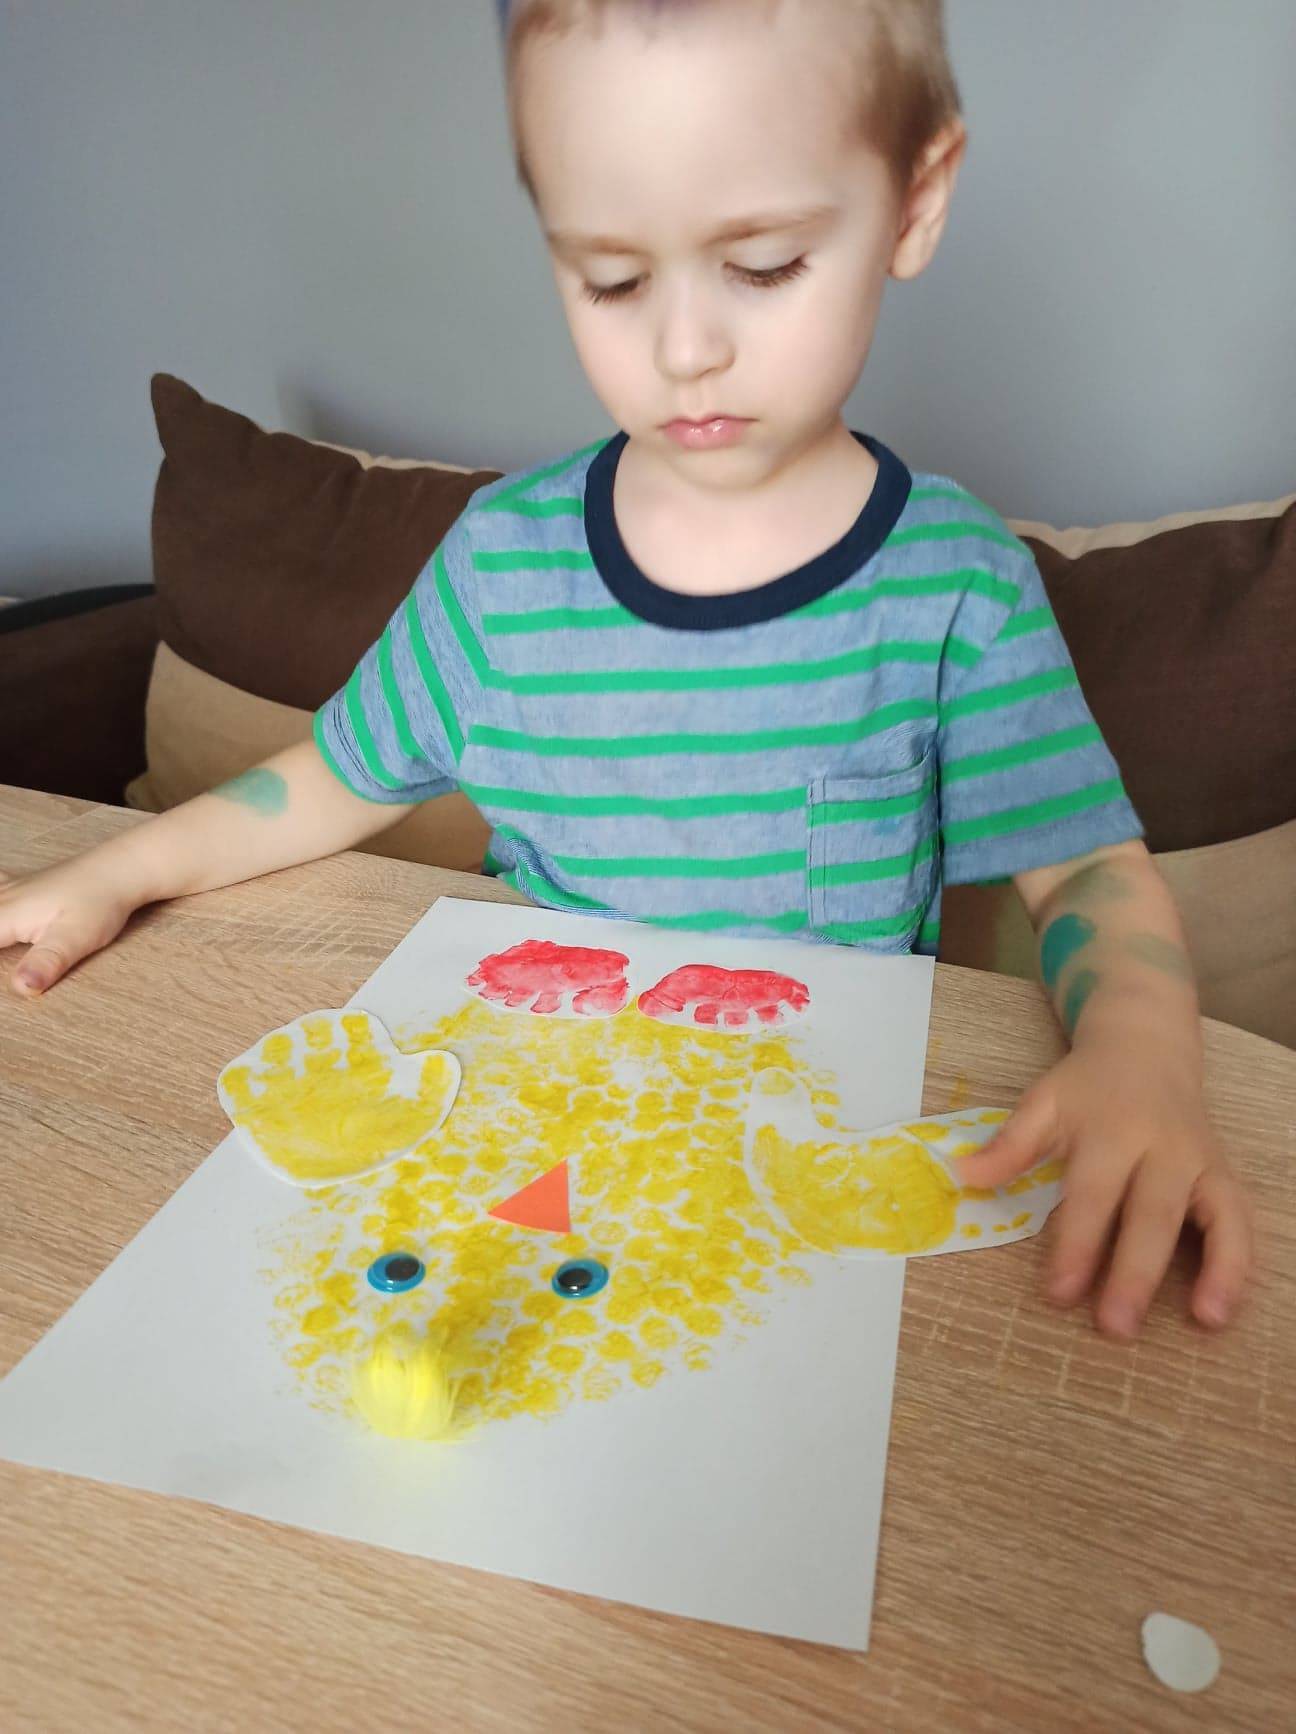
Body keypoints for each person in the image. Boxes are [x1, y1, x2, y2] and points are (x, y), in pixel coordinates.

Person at [0, 0, 1250, 1337]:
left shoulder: (956, 585)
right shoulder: (501, 568)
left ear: (916, 198)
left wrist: (1144, 1050)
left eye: (763, 263)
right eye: (610, 278)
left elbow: (1085, 869)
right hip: (523, 1141)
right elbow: (326, 779)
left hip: (793, 1174)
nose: (684, 349)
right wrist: (120, 870)